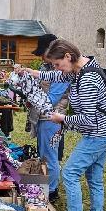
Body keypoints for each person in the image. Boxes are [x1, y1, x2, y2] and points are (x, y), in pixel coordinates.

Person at [21, 39, 106, 211]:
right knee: (94, 178)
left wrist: (61, 119)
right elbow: (56, 75)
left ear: (68, 56)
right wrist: (33, 73)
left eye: (58, 63)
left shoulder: (87, 78)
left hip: (97, 134)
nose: (57, 69)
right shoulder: (81, 68)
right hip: (104, 131)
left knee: (71, 173)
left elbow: (89, 120)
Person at [31, 34, 70, 202]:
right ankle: (46, 185)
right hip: (43, 117)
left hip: (52, 119)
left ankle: (52, 190)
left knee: (51, 156)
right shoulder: (46, 67)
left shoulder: (61, 71)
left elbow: (51, 99)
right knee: (44, 155)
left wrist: (31, 95)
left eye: (43, 52)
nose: (41, 56)